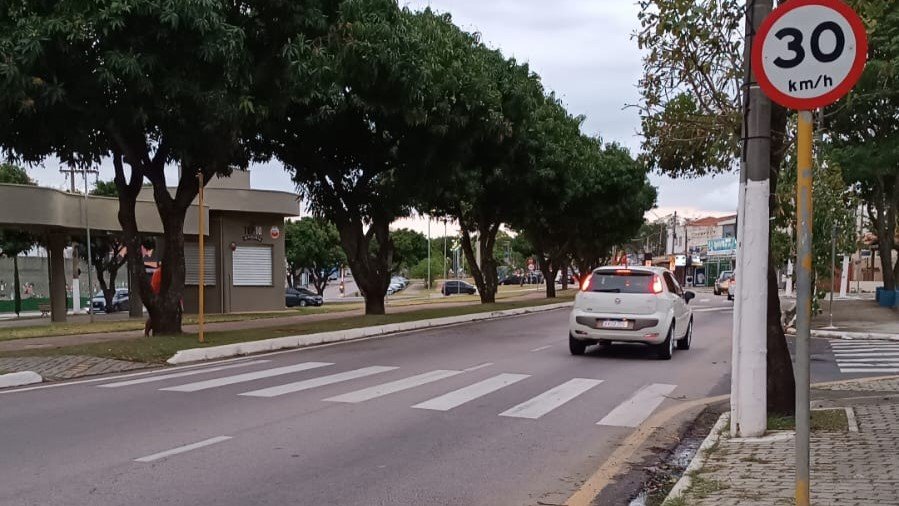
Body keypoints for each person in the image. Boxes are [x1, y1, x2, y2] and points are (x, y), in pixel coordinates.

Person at [144, 264, 163, 337]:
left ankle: (148, 332)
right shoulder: (160, 272)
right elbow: (159, 285)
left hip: (155, 295)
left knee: (154, 316)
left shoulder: (157, 271)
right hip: (157, 296)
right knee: (154, 316)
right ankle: (147, 332)